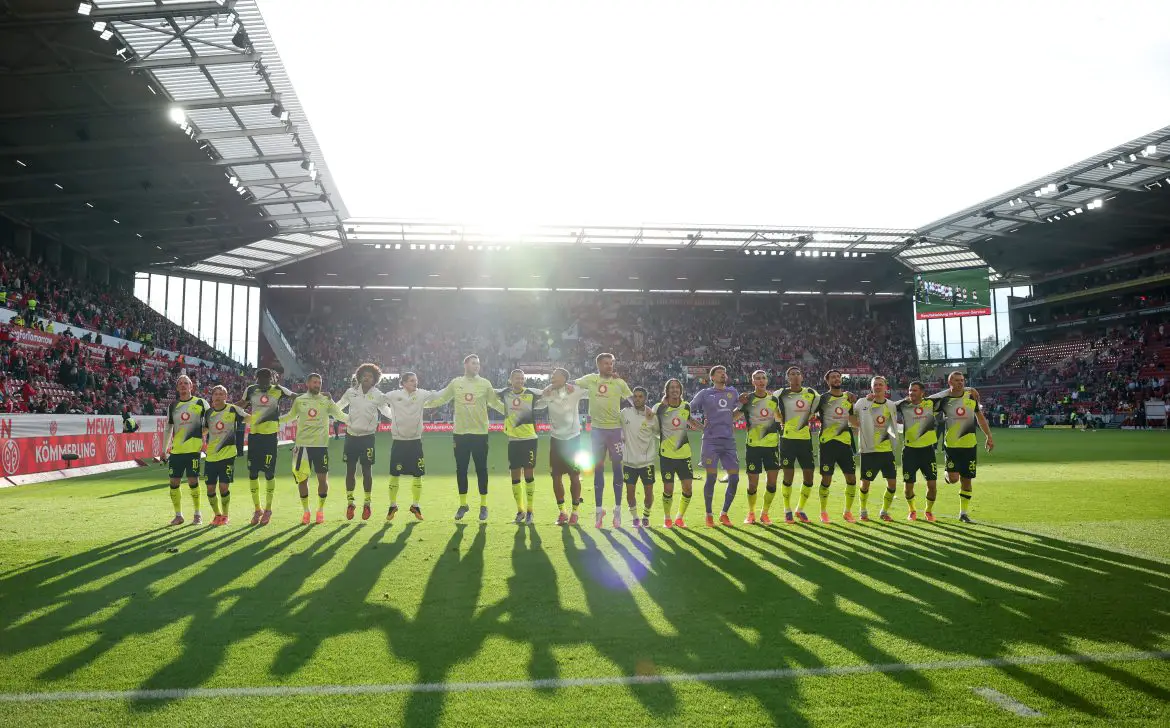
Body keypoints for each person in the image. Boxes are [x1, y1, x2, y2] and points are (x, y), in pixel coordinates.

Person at [428, 354, 505, 521]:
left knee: (481, 470)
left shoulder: (485, 384)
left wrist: (513, 413)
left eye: (478, 363)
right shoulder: (456, 383)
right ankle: (463, 505)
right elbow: (442, 398)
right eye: (473, 363)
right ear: (465, 365)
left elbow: (494, 403)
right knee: (461, 470)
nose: (476, 366)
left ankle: (483, 506)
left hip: (480, 434)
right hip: (460, 434)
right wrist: (421, 405)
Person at [574, 353, 635, 528]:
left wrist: (644, 410)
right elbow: (572, 384)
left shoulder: (619, 383)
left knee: (617, 469)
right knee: (598, 470)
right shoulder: (591, 379)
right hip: (597, 432)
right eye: (606, 363)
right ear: (599, 365)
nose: (610, 366)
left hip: (615, 431)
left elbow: (632, 400)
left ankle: (617, 510)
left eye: (611, 363)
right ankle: (599, 511)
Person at [280, 373, 348, 525]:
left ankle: (320, 511)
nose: (317, 385)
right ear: (308, 384)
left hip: (320, 447)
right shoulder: (299, 400)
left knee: (322, 480)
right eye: (315, 382)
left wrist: (357, 418)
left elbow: (340, 415)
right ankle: (306, 511)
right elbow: (290, 416)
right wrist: (274, 420)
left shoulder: (326, 400)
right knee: (302, 480)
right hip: (302, 447)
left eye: (319, 382)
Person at [929, 370, 994, 523]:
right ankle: (947, 474)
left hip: (970, 446)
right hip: (952, 446)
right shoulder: (943, 400)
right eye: (957, 380)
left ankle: (963, 513)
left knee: (967, 481)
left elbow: (980, 417)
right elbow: (927, 401)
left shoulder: (971, 397)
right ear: (949, 382)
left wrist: (989, 436)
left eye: (962, 380)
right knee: (953, 479)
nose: (960, 383)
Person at [236, 368, 299, 526]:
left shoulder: (278, 389)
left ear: (271, 378)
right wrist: (225, 408)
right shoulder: (251, 389)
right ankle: (257, 510)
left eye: (267, 378)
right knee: (253, 472)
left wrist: (289, 415)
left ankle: (268, 509)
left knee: (269, 473)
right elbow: (240, 405)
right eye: (261, 378)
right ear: (256, 378)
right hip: (255, 436)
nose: (264, 381)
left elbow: (296, 398)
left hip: (270, 437)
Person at [383, 372, 443, 521]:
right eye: (411, 381)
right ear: (403, 383)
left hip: (415, 442)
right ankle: (392, 505)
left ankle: (415, 505)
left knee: (418, 474)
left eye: (416, 380)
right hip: (399, 442)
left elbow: (437, 395)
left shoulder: (421, 394)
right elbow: (378, 400)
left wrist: (454, 387)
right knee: (394, 475)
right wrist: (390, 414)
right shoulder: (393, 395)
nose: (415, 383)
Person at [336, 363, 391, 521]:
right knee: (350, 470)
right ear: (359, 377)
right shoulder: (351, 392)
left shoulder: (378, 395)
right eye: (364, 375)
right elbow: (338, 407)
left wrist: (402, 415)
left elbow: (386, 411)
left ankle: (367, 503)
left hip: (368, 438)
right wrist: (346, 419)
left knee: (367, 471)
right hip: (351, 436)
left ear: (375, 380)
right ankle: (350, 502)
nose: (367, 378)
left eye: (371, 376)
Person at [690, 365, 742, 527]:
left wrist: (729, 418)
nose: (723, 375)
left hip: (728, 441)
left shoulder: (733, 392)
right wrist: (699, 426)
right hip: (710, 441)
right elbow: (686, 410)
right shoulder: (705, 394)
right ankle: (709, 514)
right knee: (711, 477)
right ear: (712, 377)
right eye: (719, 373)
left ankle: (724, 514)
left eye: (724, 373)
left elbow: (740, 410)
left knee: (734, 477)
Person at [774, 366, 821, 524]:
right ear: (788, 378)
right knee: (789, 476)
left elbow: (821, 404)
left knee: (809, 476)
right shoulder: (780, 393)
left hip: (805, 440)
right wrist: (780, 419)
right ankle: (787, 509)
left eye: (798, 374)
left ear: (802, 377)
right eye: (792, 374)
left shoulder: (811, 393)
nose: (795, 376)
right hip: (787, 440)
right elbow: (770, 404)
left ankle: (800, 509)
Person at [849, 376, 899, 522]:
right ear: (871, 387)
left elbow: (892, 424)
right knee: (865, 483)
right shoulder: (862, 402)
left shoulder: (891, 405)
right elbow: (850, 417)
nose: (877, 387)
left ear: (885, 387)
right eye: (875, 385)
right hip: (868, 451)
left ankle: (884, 511)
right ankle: (863, 510)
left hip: (886, 450)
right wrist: (860, 426)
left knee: (892, 483)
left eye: (880, 385)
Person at [544, 368, 589, 525]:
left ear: (564, 378)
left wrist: (574, 383)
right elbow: (535, 404)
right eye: (552, 376)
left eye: (555, 376)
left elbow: (591, 390)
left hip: (573, 440)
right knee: (556, 477)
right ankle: (562, 512)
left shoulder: (574, 390)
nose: (552, 378)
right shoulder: (548, 392)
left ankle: (575, 512)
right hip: (556, 440)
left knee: (574, 476)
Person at [500, 369, 545, 524]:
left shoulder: (531, 393)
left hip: (529, 439)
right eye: (517, 378)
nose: (520, 381)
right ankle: (520, 511)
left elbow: (547, 391)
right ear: (510, 380)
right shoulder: (505, 394)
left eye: (522, 378)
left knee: (528, 475)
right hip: (513, 441)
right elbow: (489, 392)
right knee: (514, 477)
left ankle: (530, 511)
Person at [655, 378, 702, 528]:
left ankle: (679, 518)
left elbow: (690, 421)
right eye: (671, 388)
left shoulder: (685, 406)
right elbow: (649, 422)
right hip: (667, 455)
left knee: (688, 488)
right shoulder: (660, 408)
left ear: (680, 390)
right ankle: (667, 517)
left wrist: (706, 429)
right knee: (668, 489)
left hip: (684, 454)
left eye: (677, 387)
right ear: (667, 391)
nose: (674, 390)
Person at [163, 375, 208, 526]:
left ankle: (197, 513)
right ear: (177, 388)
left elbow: (213, 419)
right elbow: (168, 428)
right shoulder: (172, 406)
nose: (183, 386)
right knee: (174, 482)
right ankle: (178, 515)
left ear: (191, 386)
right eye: (180, 383)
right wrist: (164, 449)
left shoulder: (200, 403)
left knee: (193, 481)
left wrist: (203, 433)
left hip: (193, 451)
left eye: (186, 383)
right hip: (176, 451)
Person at [815, 369, 857, 524]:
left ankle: (847, 512)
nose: (836, 379)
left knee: (851, 479)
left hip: (845, 444)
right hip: (827, 443)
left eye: (838, 377)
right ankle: (823, 512)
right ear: (828, 381)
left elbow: (853, 420)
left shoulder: (848, 398)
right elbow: (811, 412)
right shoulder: (822, 398)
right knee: (826, 479)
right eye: (833, 377)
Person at [739, 370, 780, 525]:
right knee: (752, 484)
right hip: (753, 446)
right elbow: (735, 415)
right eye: (757, 378)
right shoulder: (747, 399)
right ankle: (751, 513)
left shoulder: (773, 400)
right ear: (753, 382)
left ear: (767, 381)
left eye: (763, 378)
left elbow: (779, 418)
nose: (761, 381)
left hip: (771, 446)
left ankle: (765, 513)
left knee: (772, 483)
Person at [895, 381, 940, 522]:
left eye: (914, 390)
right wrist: (903, 399)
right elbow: (887, 405)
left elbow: (949, 393)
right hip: (910, 452)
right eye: (909, 390)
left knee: (932, 486)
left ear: (922, 392)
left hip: (927, 451)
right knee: (908, 487)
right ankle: (912, 510)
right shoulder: (903, 406)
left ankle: (928, 511)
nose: (911, 393)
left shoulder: (930, 404)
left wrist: (968, 389)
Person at [203, 385, 245, 526]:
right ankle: (217, 515)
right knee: (210, 488)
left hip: (227, 455)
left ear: (226, 397)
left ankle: (226, 515)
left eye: (221, 394)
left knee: (223, 487)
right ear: (212, 397)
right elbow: (204, 430)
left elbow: (248, 418)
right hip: (211, 456)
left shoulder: (232, 409)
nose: (218, 396)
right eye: (216, 394)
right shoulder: (208, 413)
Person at [620, 386, 659, 528]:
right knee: (630, 494)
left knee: (648, 494)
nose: (637, 399)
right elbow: (611, 424)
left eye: (640, 396)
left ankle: (646, 516)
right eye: (635, 396)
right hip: (629, 462)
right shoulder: (625, 413)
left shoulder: (651, 416)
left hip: (646, 462)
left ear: (645, 398)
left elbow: (659, 433)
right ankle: (635, 518)